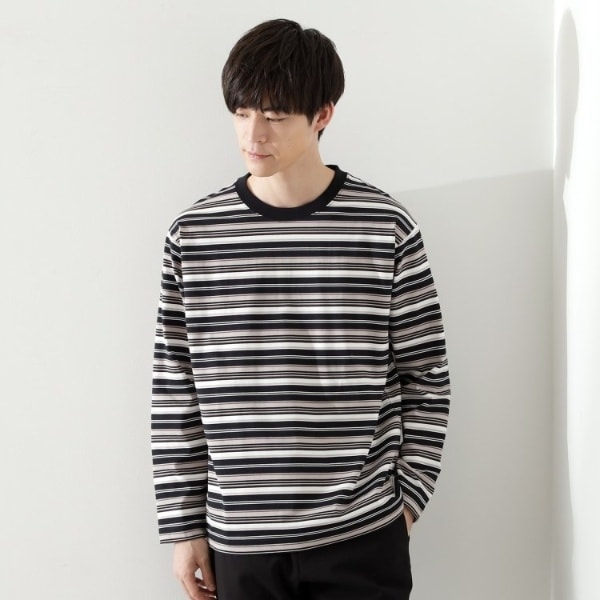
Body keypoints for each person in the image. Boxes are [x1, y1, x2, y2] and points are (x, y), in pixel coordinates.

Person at [152, 18, 450, 600]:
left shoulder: (384, 228)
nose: (252, 134)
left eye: (275, 115)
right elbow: (175, 389)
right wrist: (183, 527)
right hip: (241, 543)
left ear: (322, 115)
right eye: (241, 113)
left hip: (362, 537)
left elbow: (426, 377)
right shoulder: (194, 236)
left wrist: (406, 503)